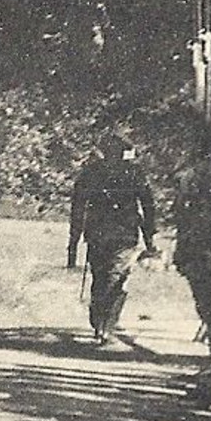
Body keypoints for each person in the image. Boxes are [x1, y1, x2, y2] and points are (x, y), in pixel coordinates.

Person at [67, 133, 159, 345]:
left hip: (104, 234)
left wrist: (73, 240)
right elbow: (148, 207)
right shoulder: (134, 173)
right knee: (114, 278)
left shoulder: (91, 172)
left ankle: (102, 323)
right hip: (122, 235)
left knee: (104, 278)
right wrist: (149, 240)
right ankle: (104, 323)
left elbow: (77, 208)